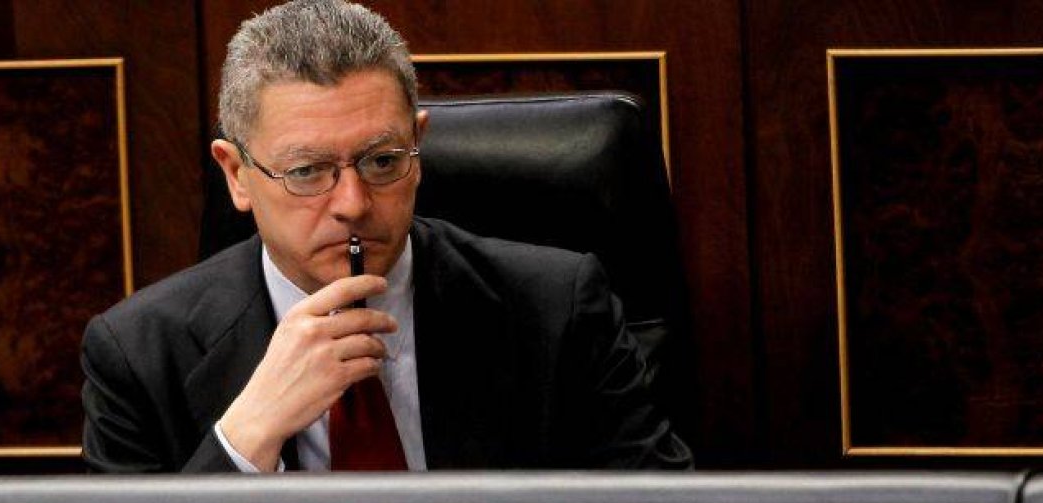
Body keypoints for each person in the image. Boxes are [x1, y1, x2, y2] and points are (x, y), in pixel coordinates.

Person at [81, 0, 692, 473]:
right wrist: (244, 438)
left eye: (381, 162)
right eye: (307, 172)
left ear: (418, 148)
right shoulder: (138, 352)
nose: (352, 204)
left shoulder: (556, 308)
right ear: (237, 174)